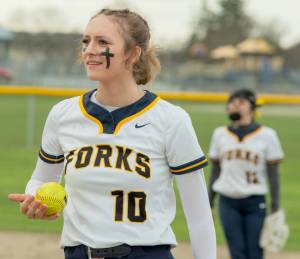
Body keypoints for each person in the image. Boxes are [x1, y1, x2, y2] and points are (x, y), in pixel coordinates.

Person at [8, 8, 216, 259]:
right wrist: (34, 199)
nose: (89, 49)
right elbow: (41, 179)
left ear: (133, 54)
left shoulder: (170, 120)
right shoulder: (63, 114)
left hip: (145, 254)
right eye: (86, 41)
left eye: (103, 41)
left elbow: (200, 217)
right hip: (78, 253)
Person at [208, 88, 284, 259]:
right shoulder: (220, 134)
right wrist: (209, 202)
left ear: (252, 108)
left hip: (255, 202)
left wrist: (275, 206)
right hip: (227, 202)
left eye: (240, 102)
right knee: (237, 252)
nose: (234, 106)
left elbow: (273, 175)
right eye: (231, 103)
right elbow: (215, 171)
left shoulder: (267, 135)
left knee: (255, 252)